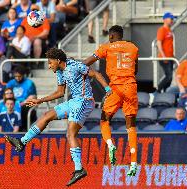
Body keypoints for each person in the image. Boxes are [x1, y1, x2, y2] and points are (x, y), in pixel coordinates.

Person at [5, 48, 110, 186]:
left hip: (84, 101)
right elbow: (60, 92)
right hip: (73, 102)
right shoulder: (60, 72)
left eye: (50, 63)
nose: (49, 66)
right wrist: (40, 100)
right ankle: (22, 142)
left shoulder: (75, 66)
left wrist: (108, 90)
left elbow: (95, 73)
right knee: (46, 116)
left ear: (58, 60)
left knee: (70, 134)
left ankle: (79, 169)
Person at [83, 25, 139, 176]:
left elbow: (87, 62)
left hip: (115, 88)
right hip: (130, 86)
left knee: (104, 120)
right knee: (130, 124)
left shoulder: (106, 47)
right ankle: (133, 163)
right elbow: (136, 69)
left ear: (112, 36)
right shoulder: (133, 47)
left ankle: (110, 144)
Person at [156, 12, 175, 93]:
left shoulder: (169, 30)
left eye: (172, 19)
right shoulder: (162, 30)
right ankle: (157, 91)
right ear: (165, 19)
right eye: (171, 19)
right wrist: (163, 56)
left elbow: (169, 45)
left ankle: (165, 92)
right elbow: (159, 43)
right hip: (164, 57)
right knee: (169, 76)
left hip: (170, 57)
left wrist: (172, 56)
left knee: (170, 78)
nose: (172, 20)